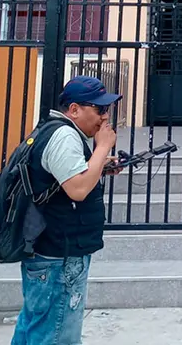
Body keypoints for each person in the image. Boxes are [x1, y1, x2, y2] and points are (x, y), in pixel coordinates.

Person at [11, 75, 121, 345]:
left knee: (35, 329)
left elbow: (65, 178)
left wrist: (99, 164)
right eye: (99, 110)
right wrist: (103, 147)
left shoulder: (56, 131)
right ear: (74, 109)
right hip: (59, 255)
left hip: (50, 251)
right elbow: (78, 189)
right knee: (58, 335)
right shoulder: (63, 136)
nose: (104, 118)